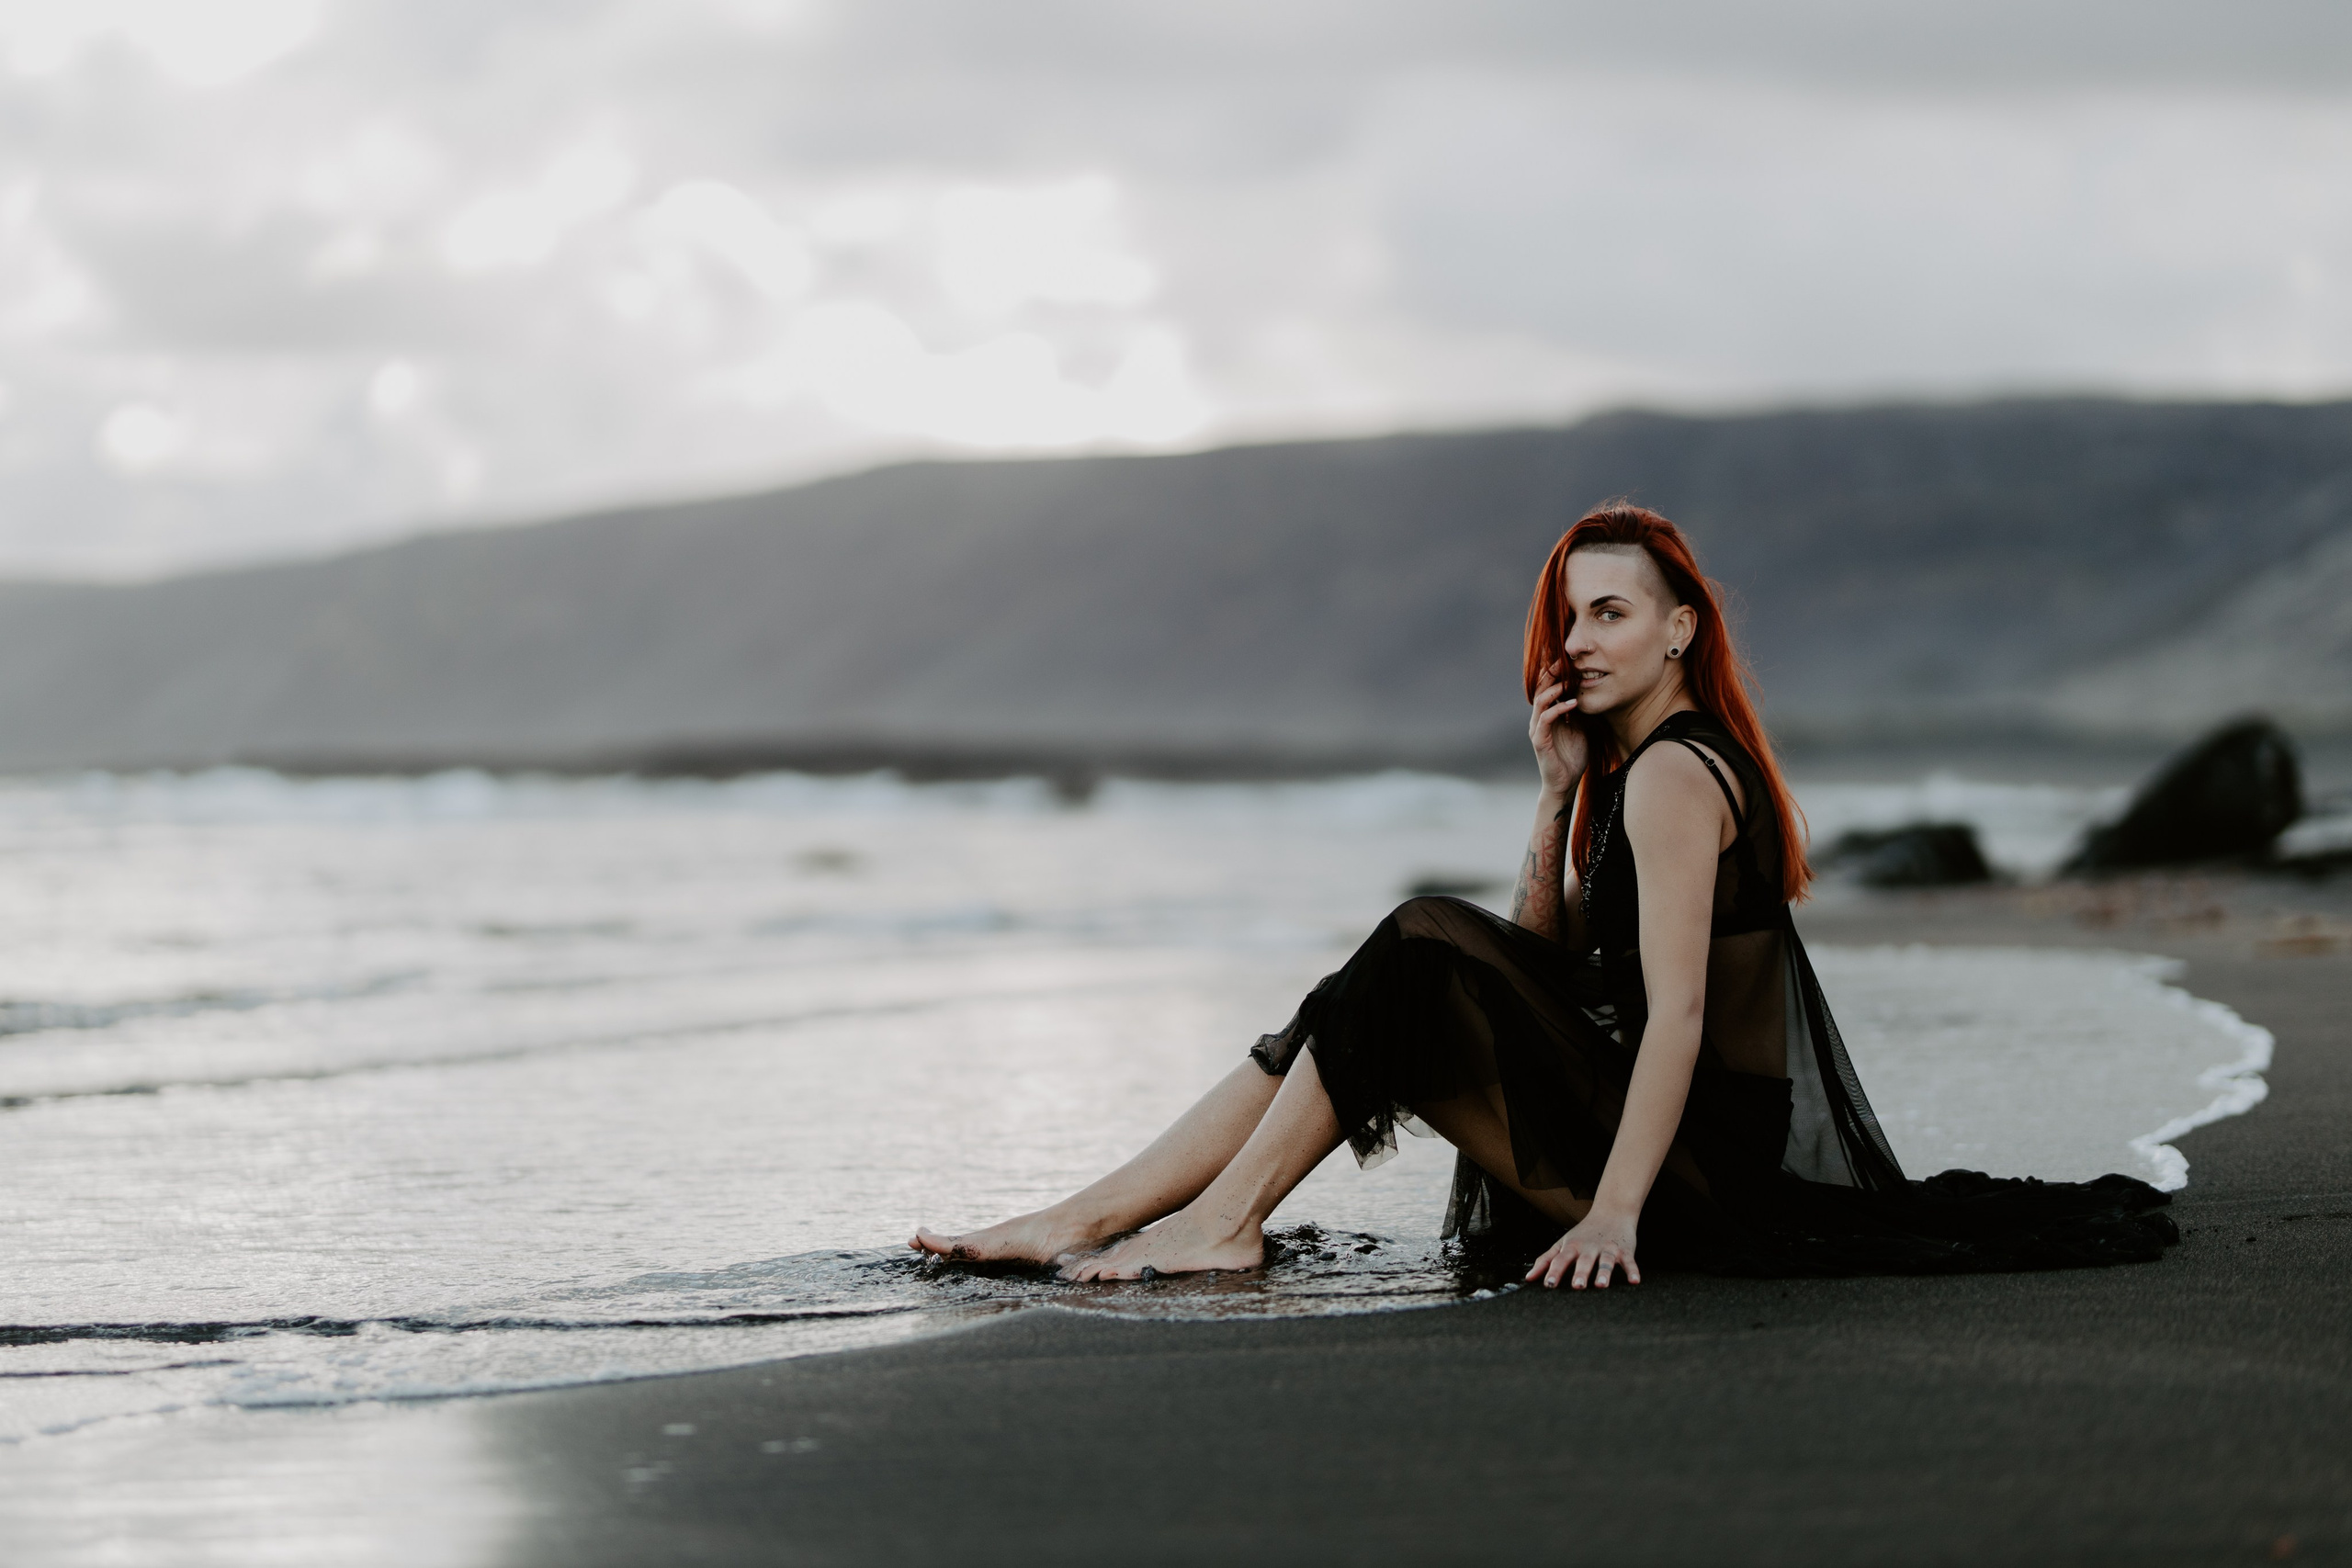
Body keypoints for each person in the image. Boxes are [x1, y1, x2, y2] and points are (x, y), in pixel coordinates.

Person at [911, 503, 2177, 1288]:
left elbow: (1675, 1017)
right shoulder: (1625, 775)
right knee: (1373, 981)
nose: (1577, 640)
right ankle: (1098, 1214)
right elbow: (1539, 965)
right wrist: (1554, 794)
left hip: (1697, 1181)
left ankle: (1209, 1220)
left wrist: (1616, 1216)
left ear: (1681, 630)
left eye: (1611, 612)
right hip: (1660, 1134)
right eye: (1568, 616)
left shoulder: (1677, 774)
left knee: (1411, 942)